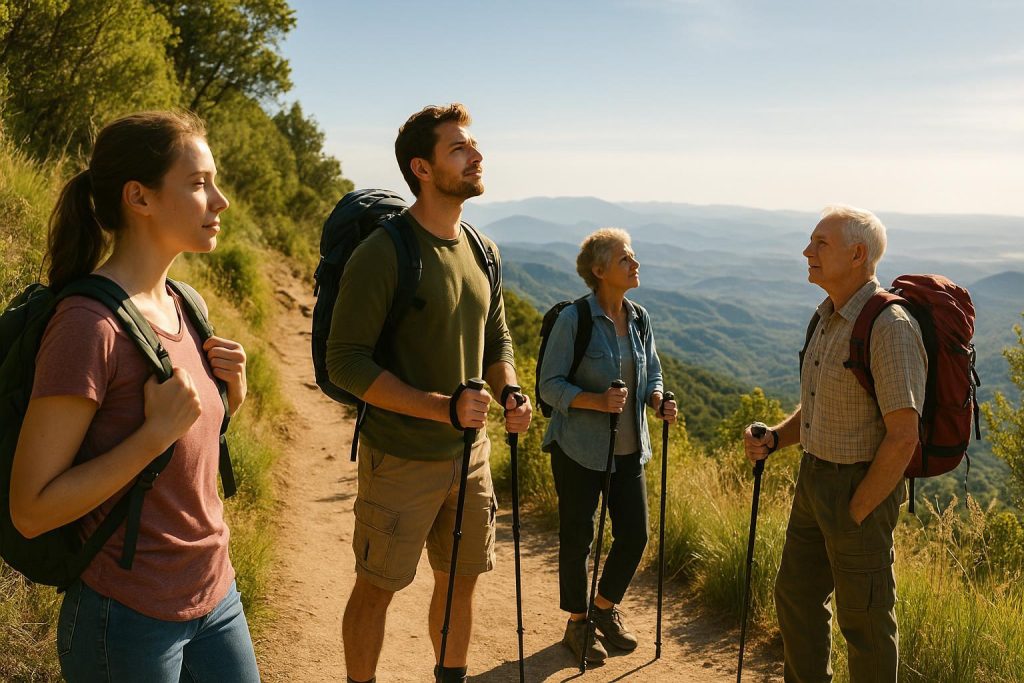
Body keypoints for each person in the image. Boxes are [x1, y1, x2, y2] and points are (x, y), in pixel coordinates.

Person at [9, 111, 259, 681]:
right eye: (198, 184)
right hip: (127, 616)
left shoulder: (184, 304)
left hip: (217, 594)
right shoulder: (87, 327)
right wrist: (153, 436)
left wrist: (230, 400)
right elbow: (31, 509)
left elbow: (183, 454)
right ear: (139, 198)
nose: (219, 200)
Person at [327, 103, 532, 683]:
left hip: (472, 458)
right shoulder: (385, 252)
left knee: (461, 582)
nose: (477, 156)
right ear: (421, 167)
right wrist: (439, 408)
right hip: (400, 456)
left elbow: (497, 336)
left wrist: (511, 393)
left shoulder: (482, 250)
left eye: (474, 146)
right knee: (377, 590)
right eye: (459, 149)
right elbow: (344, 362)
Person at [743, 205, 926, 682]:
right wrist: (777, 439)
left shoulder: (890, 327)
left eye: (820, 243)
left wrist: (859, 507)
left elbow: (904, 436)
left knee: (864, 621)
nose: (807, 251)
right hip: (815, 479)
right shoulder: (827, 317)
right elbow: (821, 405)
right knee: (796, 597)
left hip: (858, 486)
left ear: (858, 253)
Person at [538, 228, 677, 664]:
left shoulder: (639, 317)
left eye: (633, 257)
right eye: (625, 259)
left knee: (635, 534)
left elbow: (651, 370)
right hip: (578, 447)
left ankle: (603, 610)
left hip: (629, 448)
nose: (635, 264)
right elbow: (548, 386)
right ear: (599, 271)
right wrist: (596, 402)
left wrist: (657, 399)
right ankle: (577, 624)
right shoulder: (574, 320)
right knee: (578, 537)